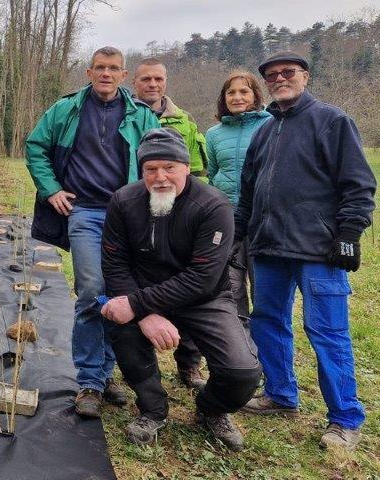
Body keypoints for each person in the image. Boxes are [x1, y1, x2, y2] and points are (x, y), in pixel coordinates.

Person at [236, 51, 377, 451]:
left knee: (327, 331)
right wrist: (239, 233)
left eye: (288, 73)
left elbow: (358, 184)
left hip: (319, 250)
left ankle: (345, 418)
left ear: (305, 76)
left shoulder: (332, 121)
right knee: (267, 321)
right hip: (268, 249)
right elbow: (248, 191)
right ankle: (281, 394)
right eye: (272, 75)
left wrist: (349, 233)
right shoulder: (264, 131)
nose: (280, 79)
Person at [100, 128, 262, 451]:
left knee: (243, 372)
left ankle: (211, 408)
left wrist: (138, 304)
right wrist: (142, 312)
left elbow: (201, 278)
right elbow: (115, 265)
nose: (160, 177)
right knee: (117, 318)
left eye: (169, 167)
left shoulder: (213, 207)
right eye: (150, 169)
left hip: (204, 299)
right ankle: (153, 409)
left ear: (187, 167)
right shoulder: (123, 202)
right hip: (143, 291)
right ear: (141, 170)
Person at [26, 46, 159, 418]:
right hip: (84, 212)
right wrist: (50, 188)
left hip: (128, 216)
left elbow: (162, 157)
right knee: (90, 291)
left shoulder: (142, 117)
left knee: (120, 293)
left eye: (113, 68)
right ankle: (88, 380)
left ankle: (106, 372)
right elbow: (35, 146)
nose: (106, 73)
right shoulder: (65, 109)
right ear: (88, 72)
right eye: (100, 67)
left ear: (123, 75)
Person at [132, 57, 209, 390]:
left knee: (187, 283)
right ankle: (140, 364)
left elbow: (198, 169)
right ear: (134, 82)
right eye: (146, 79)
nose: (152, 84)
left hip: (178, 215)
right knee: (135, 280)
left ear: (165, 82)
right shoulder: (123, 114)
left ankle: (190, 364)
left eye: (158, 79)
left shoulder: (184, 121)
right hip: (135, 210)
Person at [205, 71, 271, 325]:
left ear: (255, 95)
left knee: (263, 288)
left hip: (262, 220)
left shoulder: (270, 125)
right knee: (231, 288)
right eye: (231, 92)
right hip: (227, 219)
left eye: (244, 91)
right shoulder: (214, 133)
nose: (237, 97)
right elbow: (213, 173)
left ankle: (265, 351)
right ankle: (241, 350)